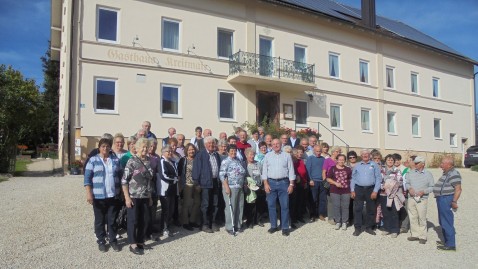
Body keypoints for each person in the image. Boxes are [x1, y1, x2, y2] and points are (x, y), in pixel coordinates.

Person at [84, 138, 122, 252]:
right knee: (100, 220)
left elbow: (120, 176)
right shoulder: (93, 160)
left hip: (113, 195)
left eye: (107, 146)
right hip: (98, 196)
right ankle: (101, 240)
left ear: (110, 147)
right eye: (103, 146)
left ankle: (113, 240)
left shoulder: (115, 160)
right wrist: (88, 193)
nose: (105, 148)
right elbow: (87, 178)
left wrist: (121, 192)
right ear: (99, 147)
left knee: (112, 219)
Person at [121, 138, 154, 255]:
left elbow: (149, 181)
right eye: (142, 147)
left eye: (146, 147)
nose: (145, 149)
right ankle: (132, 243)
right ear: (137, 148)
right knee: (133, 220)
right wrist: (127, 198)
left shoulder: (149, 161)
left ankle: (140, 241)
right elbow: (124, 180)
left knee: (144, 220)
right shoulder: (132, 161)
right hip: (134, 196)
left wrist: (150, 197)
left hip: (145, 195)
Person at [262, 139, 295, 236]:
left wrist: (291, 184)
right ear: (271, 146)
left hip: (284, 183)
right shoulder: (268, 156)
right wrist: (265, 183)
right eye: (274, 144)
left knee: (284, 206)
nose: (276, 145)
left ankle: (285, 227)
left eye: (277, 144)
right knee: (271, 205)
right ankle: (273, 226)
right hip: (271, 182)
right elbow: (264, 171)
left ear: (281, 145)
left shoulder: (287, 155)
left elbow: (291, 170)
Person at [192, 136, 222, 233]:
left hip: (215, 182)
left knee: (215, 204)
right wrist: (196, 183)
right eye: (209, 143)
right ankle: (204, 224)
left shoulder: (216, 155)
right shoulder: (200, 155)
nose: (212, 145)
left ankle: (213, 223)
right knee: (205, 205)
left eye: (213, 143)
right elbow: (196, 170)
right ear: (205, 145)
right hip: (205, 183)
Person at [350, 149, 381, 236]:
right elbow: (353, 178)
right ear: (361, 155)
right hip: (358, 189)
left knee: (370, 209)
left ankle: (369, 227)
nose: (365, 155)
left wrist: (375, 191)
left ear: (369, 155)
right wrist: (352, 190)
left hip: (370, 189)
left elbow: (378, 178)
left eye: (366, 154)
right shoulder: (357, 165)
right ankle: (357, 228)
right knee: (358, 209)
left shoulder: (374, 165)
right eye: (363, 154)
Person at [405, 156, 434, 244]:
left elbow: (432, 187)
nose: (415, 164)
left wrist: (423, 191)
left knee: (422, 217)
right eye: (415, 162)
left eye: (417, 163)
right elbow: (407, 183)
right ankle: (415, 234)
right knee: (412, 216)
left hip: (422, 199)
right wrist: (409, 188)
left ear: (423, 164)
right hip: (411, 198)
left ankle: (422, 236)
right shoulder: (410, 173)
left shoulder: (428, 174)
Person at [434, 156, 462, 251]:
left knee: (447, 221)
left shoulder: (454, 174)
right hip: (441, 198)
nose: (441, 165)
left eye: (442, 163)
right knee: (442, 221)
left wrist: (454, 201)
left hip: (446, 199)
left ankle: (450, 244)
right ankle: (446, 241)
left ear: (449, 164)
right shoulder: (447, 173)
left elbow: (458, 189)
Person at [219, 144, 247, 235]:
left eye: (235, 151)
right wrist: (226, 187)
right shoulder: (225, 162)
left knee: (239, 206)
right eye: (231, 151)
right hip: (230, 187)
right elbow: (222, 175)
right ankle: (230, 226)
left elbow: (242, 172)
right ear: (228, 152)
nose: (233, 152)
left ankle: (238, 224)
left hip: (239, 186)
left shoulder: (238, 160)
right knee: (231, 207)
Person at [379, 154, 405, 238]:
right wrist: (382, 186)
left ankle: (394, 230)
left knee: (394, 212)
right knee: (385, 212)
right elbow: (379, 180)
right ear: (385, 161)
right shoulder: (381, 170)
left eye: (391, 160)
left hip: (393, 194)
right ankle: (387, 228)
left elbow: (400, 181)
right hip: (383, 193)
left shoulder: (397, 170)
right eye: (388, 160)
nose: (390, 162)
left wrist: (391, 186)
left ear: (394, 162)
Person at [178, 143, 201, 231]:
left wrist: (199, 184)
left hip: (197, 184)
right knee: (186, 204)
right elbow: (179, 174)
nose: (191, 151)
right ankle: (185, 222)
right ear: (186, 151)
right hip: (187, 184)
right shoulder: (183, 160)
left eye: (193, 149)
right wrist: (180, 186)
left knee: (197, 202)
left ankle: (192, 220)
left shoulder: (198, 159)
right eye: (189, 149)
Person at [157, 145, 179, 237]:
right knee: (166, 210)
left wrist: (175, 178)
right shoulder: (162, 161)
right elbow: (164, 175)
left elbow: (176, 174)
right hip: (165, 189)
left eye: (170, 151)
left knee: (171, 209)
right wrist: (174, 179)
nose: (170, 153)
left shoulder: (172, 162)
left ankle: (168, 226)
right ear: (163, 153)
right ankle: (164, 228)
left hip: (173, 189)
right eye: (168, 151)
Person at [326, 154, 352, 230]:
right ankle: (338, 221)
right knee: (336, 206)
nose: (341, 161)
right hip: (334, 190)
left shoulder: (348, 169)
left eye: (343, 160)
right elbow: (328, 179)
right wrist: (335, 183)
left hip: (346, 191)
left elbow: (350, 179)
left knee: (345, 206)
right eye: (340, 159)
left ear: (345, 160)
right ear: (337, 160)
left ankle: (344, 222)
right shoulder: (332, 168)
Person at [306, 145, 326, 222]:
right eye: (317, 151)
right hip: (314, 181)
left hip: (322, 181)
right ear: (314, 151)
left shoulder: (323, 159)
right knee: (313, 199)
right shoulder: (310, 158)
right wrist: (310, 179)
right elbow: (308, 169)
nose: (318, 153)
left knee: (322, 199)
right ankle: (312, 215)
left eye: (319, 151)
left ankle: (321, 214)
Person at [323, 146, 341, 224]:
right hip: (330, 182)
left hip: (338, 183)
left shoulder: (339, 161)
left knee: (338, 200)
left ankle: (337, 217)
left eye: (340, 152)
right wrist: (324, 182)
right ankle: (331, 218)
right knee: (330, 201)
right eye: (337, 151)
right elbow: (324, 171)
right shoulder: (327, 160)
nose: (339, 153)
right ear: (333, 152)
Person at [244, 147, 262, 228]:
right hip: (249, 187)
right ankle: (249, 221)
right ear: (246, 155)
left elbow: (262, 173)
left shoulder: (258, 164)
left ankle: (258, 220)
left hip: (259, 186)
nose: (252, 156)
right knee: (250, 205)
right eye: (250, 155)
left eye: (253, 154)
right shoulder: (244, 164)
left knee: (259, 204)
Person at [292, 147, 308, 225]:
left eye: (300, 153)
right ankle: (294, 217)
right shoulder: (293, 162)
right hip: (295, 184)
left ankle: (300, 216)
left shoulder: (301, 161)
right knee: (295, 201)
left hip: (302, 183)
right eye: (297, 153)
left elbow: (304, 173)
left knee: (301, 201)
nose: (299, 154)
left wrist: (305, 182)